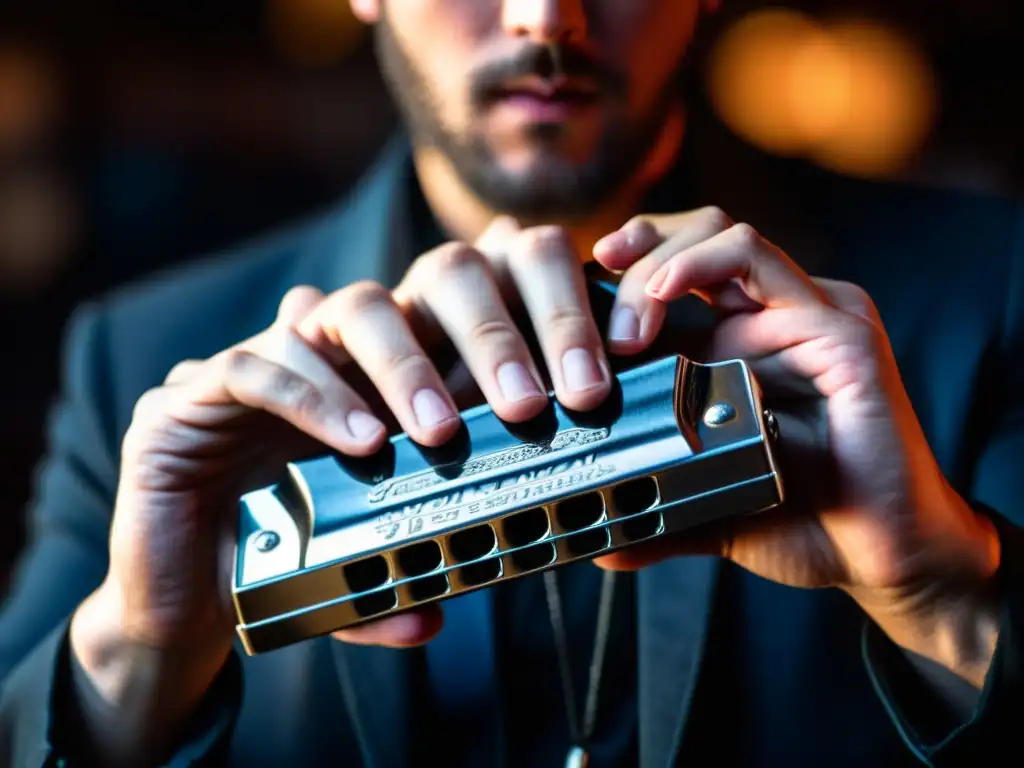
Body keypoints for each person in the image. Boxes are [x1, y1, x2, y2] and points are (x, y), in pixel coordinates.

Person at [1, 0, 1021, 765]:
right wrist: (140, 648)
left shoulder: (990, 290)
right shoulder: (145, 362)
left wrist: (942, 594)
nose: (546, 18)